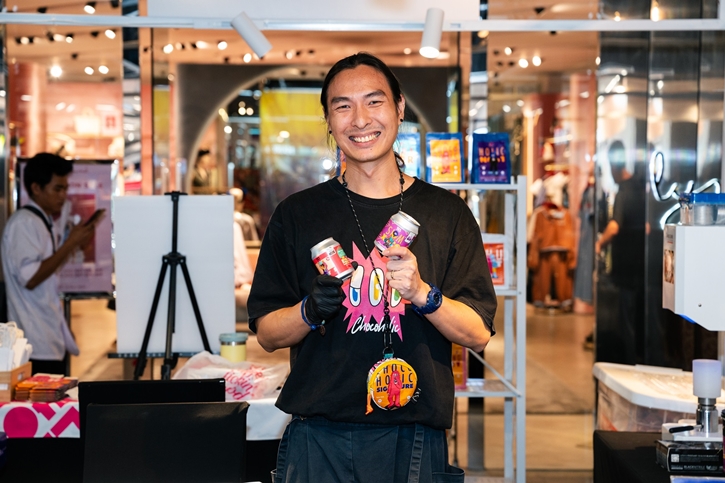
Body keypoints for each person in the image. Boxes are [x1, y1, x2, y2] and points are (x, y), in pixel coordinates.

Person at [247, 53, 497, 483]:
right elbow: (267, 333)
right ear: (328, 119)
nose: (359, 119)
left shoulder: (446, 214)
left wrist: (423, 294)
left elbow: (477, 334)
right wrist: (310, 310)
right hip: (317, 436)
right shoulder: (297, 215)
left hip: (414, 437)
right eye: (343, 106)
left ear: (399, 108)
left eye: (374, 102)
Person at [1, 153, 101, 375]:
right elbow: (30, 278)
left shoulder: (42, 220)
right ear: (36, 188)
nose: (63, 196)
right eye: (57, 189)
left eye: (65, 189)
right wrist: (70, 244)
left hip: (46, 335)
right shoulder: (24, 223)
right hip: (33, 343)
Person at [595, 140, 646, 363]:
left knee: (625, 322)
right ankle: (638, 358)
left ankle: (629, 363)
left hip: (625, 268)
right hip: (641, 266)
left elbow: (615, 226)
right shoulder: (640, 187)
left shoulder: (623, 192)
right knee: (639, 319)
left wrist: (599, 244)